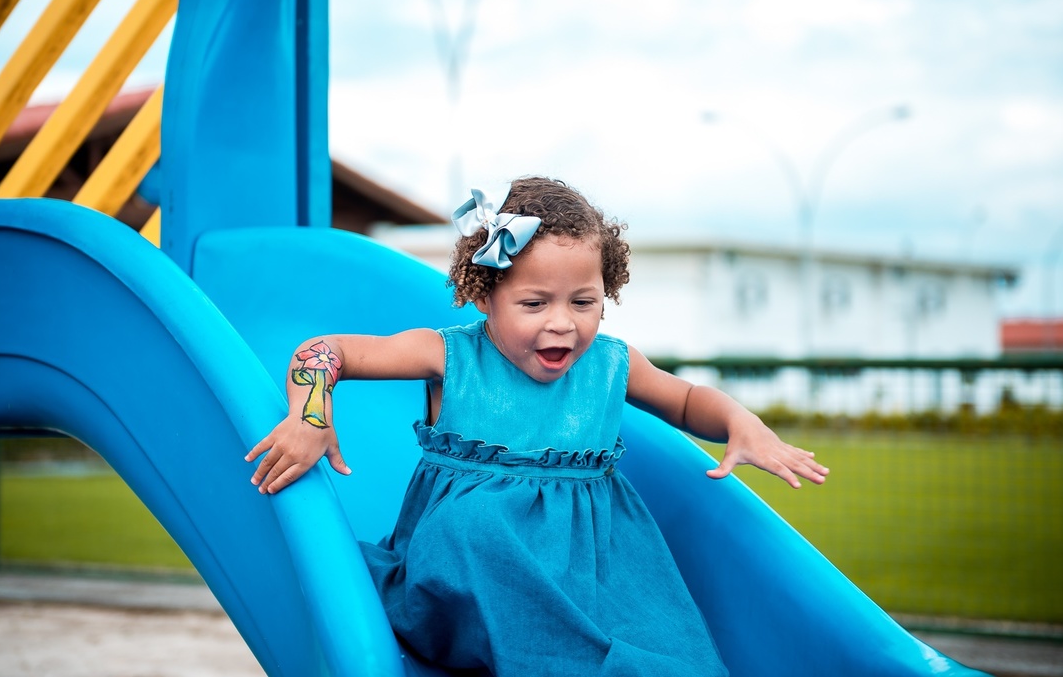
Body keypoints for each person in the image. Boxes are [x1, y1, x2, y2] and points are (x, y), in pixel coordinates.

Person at [246, 176, 828, 676]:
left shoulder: (611, 364)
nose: (562, 324)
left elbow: (687, 400)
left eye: (583, 302)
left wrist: (739, 421)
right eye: (534, 303)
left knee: (668, 653)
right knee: (477, 529)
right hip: (469, 572)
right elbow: (326, 351)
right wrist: (310, 416)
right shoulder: (450, 356)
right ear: (485, 296)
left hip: (594, 574)